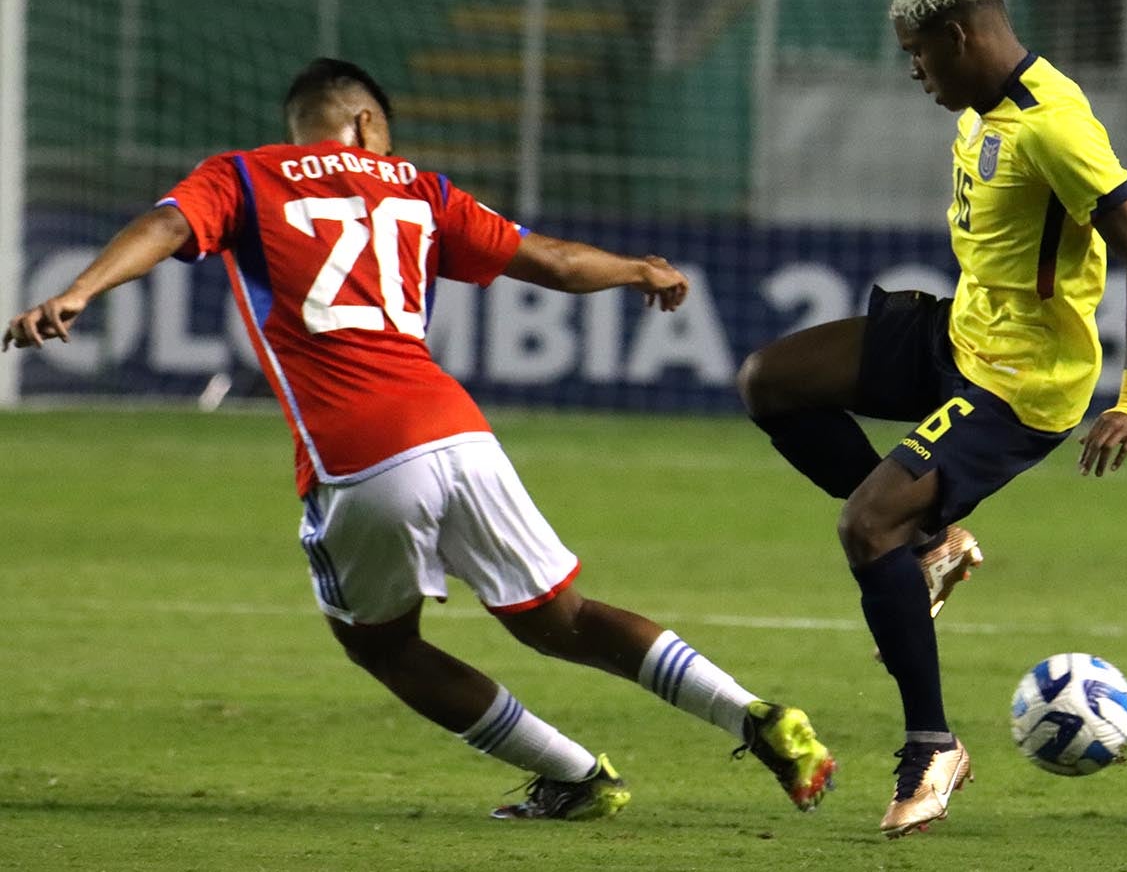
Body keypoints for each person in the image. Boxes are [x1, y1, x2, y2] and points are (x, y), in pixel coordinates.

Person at [4, 58, 835, 821]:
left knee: (381, 644)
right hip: (460, 434)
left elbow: (168, 224)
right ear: (366, 124)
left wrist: (79, 291)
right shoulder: (419, 189)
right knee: (565, 619)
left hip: (360, 453)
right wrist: (640, 269)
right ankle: (754, 713)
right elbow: (551, 259)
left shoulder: (245, 175)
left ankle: (577, 778)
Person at [736, 0, 1127, 838]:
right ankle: (932, 543)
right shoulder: (982, 107)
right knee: (770, 381)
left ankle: (932, 745)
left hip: (1022, 381)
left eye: (917, 55)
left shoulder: (1056, 126)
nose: (913, 72)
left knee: (866, 526)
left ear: (959, 36)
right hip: (957, 337)